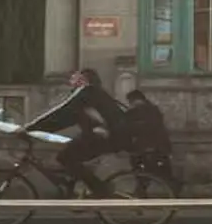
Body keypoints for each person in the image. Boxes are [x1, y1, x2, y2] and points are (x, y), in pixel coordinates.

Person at [21, 69, 130, 197]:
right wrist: (38, 129)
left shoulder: (86, 92)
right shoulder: (92, 94)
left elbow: (60, 112)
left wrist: (29, 128)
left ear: (83, 80)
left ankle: (100, 190)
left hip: (105, 136)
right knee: (71, 156)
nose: (70, 80)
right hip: (110, 136)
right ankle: (79, 189)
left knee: (66, 157)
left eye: (74, 77)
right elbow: (66, 119)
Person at [125, 89, 176, 187]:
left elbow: (136, 129)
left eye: (131, 101)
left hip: (147, 148)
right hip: (157, 147)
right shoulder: (153, 110)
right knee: (159, 171)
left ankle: (142, 188)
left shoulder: (137, 112)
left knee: (144, 171)